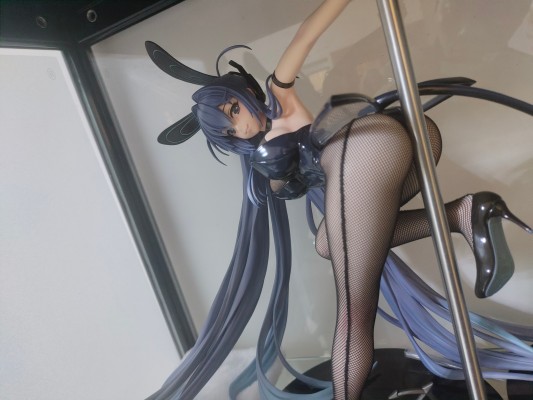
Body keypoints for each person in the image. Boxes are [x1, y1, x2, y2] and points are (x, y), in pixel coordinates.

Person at [146, 1, 533, 398]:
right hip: (387, 153)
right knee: (327, 243)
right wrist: (272, 174)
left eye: (233, 109)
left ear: (244, 91)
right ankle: (462, 213)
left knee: (353, 310)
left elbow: (305, 36)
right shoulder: (260, 150)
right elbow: (288, 188)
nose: (240, 126)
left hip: (373, 144)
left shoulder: (279, 97)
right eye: (229, 131)